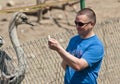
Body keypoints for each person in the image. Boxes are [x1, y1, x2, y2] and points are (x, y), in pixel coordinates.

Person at [48, 8, 104, 84]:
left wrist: (59, 49)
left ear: (92, 24)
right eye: (75, 23)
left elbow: (78, 66)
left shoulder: (96, 46)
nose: (77, 26)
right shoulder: (73, 40)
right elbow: (65, 64)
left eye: (81, 24)